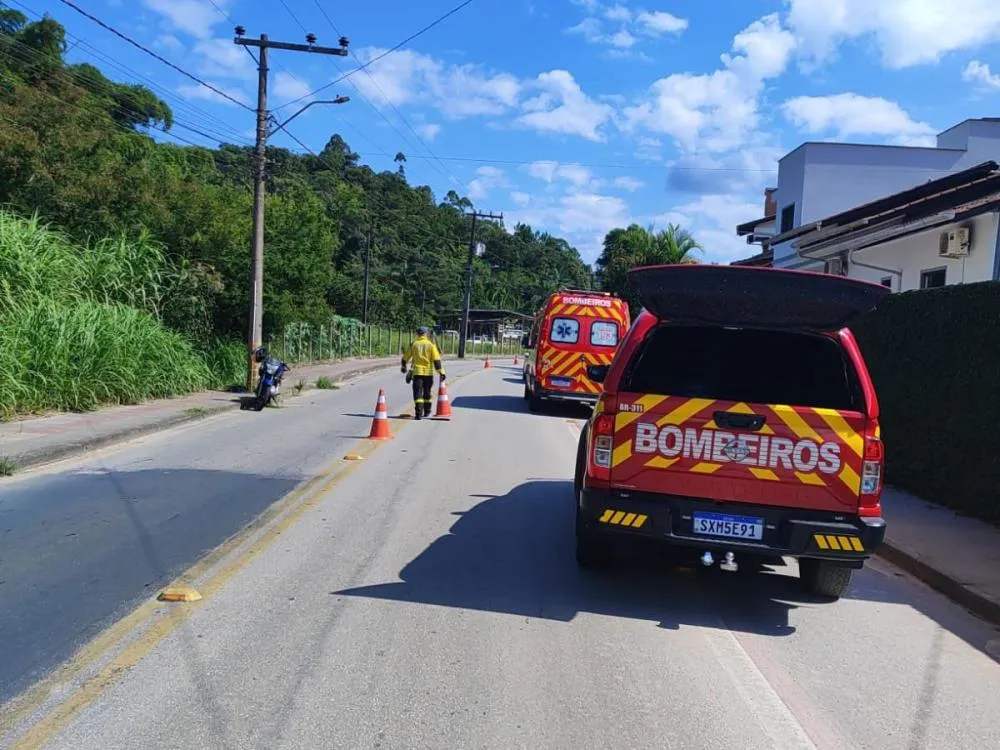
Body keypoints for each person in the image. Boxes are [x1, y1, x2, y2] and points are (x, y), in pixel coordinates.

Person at [401, 325, 445, 419]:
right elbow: (436, 360)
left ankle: (418, 414)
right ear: (426, 333)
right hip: (428, 374)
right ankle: (427, 411)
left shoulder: (414, 344)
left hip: (417, 374)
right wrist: (441, 372)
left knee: (418, 394)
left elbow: (405, 357)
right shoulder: (431, 345)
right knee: (427, 393)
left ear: (418, 333)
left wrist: (403, 366)